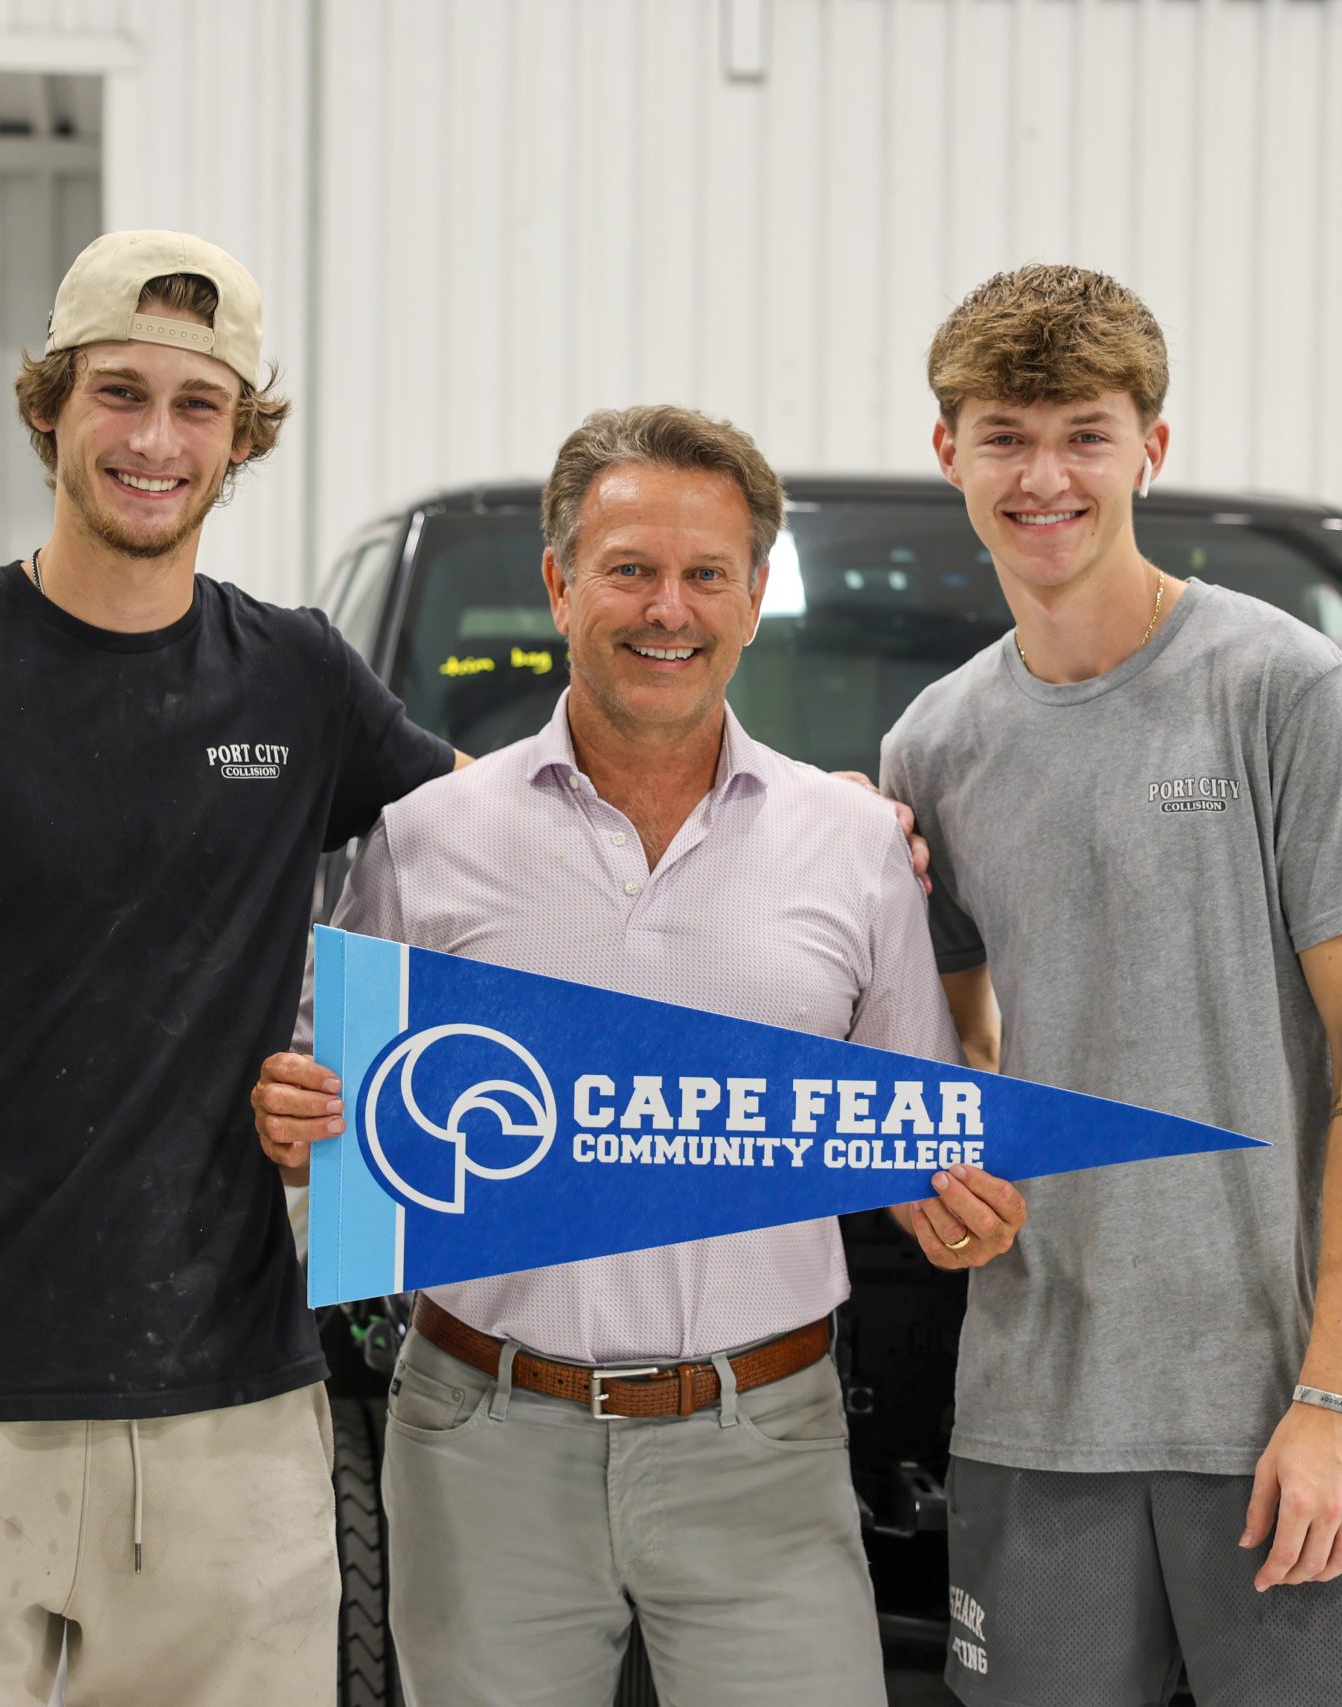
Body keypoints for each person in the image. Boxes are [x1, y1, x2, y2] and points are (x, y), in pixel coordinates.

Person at [0, 229, 456, 1705]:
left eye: (200, 407)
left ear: (243, 438)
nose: (154, 440)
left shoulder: (299, 680)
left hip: (235, 1414)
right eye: (119, 393)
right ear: (50, 402)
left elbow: (517, 858)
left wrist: (830, 827)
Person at [252, 404, 1026, 1707]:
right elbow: (339, 1112)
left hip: (765, 1445)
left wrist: (962, 1205)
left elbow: (921, 1135)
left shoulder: (851, 849)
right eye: (630, 570)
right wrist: (294, 1111)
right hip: (481, 1441)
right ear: (561, 585)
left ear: (753, 596)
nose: (668, 609)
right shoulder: (428, 840)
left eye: (704, 575)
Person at [880, 264, 1342, 1706]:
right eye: (1006, 433)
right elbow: (956, 1057)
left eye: (1084, 431)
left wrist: (1332, 1399)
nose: (1044, 474)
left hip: (1281, 1419)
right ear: (949, 451)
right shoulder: (932, 748)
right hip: (1036, 1418)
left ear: (1152, 449)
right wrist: (940, 1182)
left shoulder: (1281, 690)